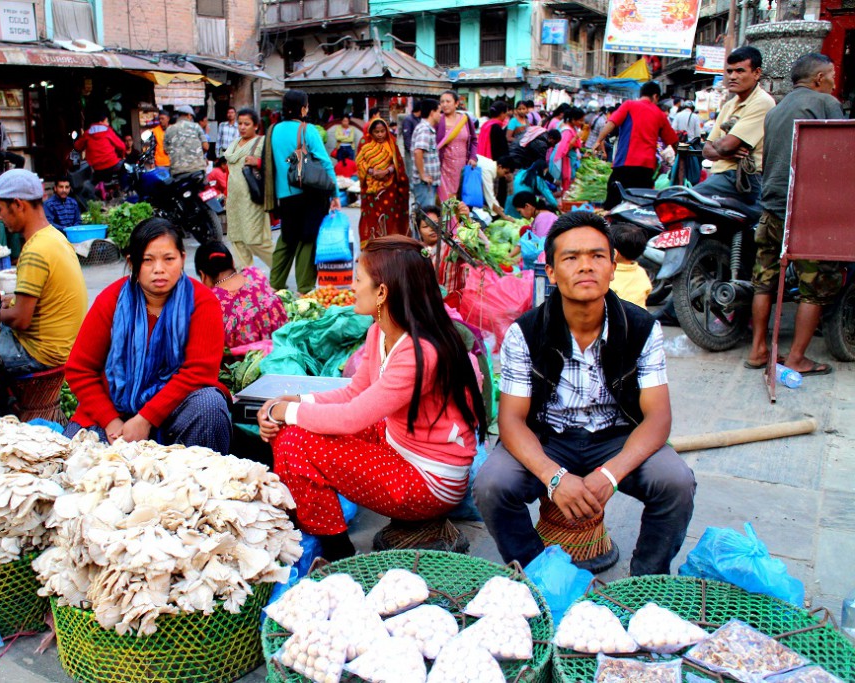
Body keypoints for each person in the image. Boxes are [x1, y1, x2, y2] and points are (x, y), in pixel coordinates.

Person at [474, 212, 696, 574]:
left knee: (675, 482)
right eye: (571, 258)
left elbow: (658, 417)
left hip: (616, 438)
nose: (585, 267)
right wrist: (554, 477)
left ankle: (645, 582)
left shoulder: (642, 329)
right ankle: (537, 575)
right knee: (492, 484)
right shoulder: (524, 333)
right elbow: (511, 420)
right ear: (550, 272)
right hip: (548, 437)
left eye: (597, 256)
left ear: (612, 267)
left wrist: (610, 474)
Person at [258, 235, 488, 560]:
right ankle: (328, 535)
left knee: (296, 442)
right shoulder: (378, 331)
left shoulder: (420, 350)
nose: (352, 286)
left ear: (382, 292)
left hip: (429, 480)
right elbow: (354, 393)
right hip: (398, 442)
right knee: (294, 432)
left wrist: (285, 412)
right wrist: (295, 402)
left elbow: (353, 416)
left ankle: (338, 552)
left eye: (358, 279)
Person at [64, 218, 231, 451]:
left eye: (169, 259)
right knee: (76, 460)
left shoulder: (202, 302)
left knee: (209, 405)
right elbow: (80, 370)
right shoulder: (111, 300)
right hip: (113, 414)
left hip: (174, 411)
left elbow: (199, 371)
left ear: (182, 259)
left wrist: (145, 419)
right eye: (148, 260)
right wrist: (111, 421)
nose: (159, 269)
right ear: (132, 263)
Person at [746, 53, 846, 377]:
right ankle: (797, 358)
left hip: (770, 207)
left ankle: (759, 349)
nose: (834, 82)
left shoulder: (775, 111)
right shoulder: (825, 103)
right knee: (813, 287)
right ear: (819, 79)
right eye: (831, 75)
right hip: (804, 209)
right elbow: (842, 155)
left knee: (764, 281)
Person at [0, 170, 87, 376]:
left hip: (41, 353)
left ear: (18, 204)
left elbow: (21, 320)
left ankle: (2, 404)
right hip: (66, 345)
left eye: (0, 209)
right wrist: (10, 301)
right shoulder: (54, 237)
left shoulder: (34, 251)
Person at [262, 90, 340, 293]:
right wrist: (335, 194)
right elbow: (325, 163)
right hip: (309, 193)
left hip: (284, 195)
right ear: (302, 108)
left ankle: (276, 283)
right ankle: (304, 287)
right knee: (307, 238)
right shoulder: (307, 129)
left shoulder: (273, 130)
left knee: (287, 237)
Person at [694, 46, 776, 208]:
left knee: (683, 200)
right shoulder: (728, 105)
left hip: (742, 178)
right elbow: (706, 151)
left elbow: (725, 146)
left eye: (739, 71)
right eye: (730, 71)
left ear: (756, 73)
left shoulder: (762, 102)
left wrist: (722, 146)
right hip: (721, 176)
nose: (732, 76)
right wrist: (725, 149)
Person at [592, 82, 680, 210]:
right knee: (640, 208)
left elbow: (611, 123)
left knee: (612, 205)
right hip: (645, 169)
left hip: (623, 165)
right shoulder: (659, 114)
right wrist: (678, 159)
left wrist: (598, 140)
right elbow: (673, 141)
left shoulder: (628, 105)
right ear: (655, 96)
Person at [194, 241, 289, 349]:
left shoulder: (213, 300)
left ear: (202, 275)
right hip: (281, 346)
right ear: (233, 263)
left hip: (247, 361)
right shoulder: (255, 274)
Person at [224, 107, 273, 269]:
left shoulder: (262, 142)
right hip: (234, 200)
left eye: (247, 124)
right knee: (238, 241)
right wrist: (226, 194)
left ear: (256, 126)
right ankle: (248, 284)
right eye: (240, 124)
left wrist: (257, 163)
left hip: (253, 199)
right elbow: (229, 172)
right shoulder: (233, 145)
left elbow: (275, 166)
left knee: (256, 240)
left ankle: (280, 269)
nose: (242, 127)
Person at [356, 118, 410, 245]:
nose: (380, 135)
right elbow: (360, 163)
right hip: (371, 188)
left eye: (382, 131)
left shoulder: (392, 143)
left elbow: (398, 164)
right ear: (371, 132)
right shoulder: (365, 143)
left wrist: (387, 171)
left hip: (390, 187)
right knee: (372, 217)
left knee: (390, 216)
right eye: (376, 132)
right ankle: (373, 245)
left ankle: (390, 244)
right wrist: (372, 172)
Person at [435, 90, 478, 202]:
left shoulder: (465, 120)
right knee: (446, 198)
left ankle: (457, 219)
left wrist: (473, 157)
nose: (444, 104)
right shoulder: (438, 120)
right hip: (445, 165)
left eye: (448, 101)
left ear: (456, 103)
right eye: (442, 102)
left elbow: (473, 140)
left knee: (461, 198)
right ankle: (447, 219)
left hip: (463, 166)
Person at [73, 106, 126, 184]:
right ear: (102, 121)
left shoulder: (87, 133)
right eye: (107, 121)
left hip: (96, 168)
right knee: (127, 169)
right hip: (112, 163)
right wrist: (122, 156)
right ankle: (123, 190)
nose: (108, 123)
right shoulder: (108, 130)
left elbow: (77, 146)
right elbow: (122, 146)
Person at [609, 224, 652, 308]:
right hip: (641, 317)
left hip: (620, 319)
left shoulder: (608, 275)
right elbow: (647, 290)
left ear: (614, 253)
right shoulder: (640, 271)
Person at [411, 99, 442, 208]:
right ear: (432, 112)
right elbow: (418, 151)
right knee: (425, 216)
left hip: (429, 184)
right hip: (424, 184)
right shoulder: (425, 129)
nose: (440, 115)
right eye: (439, 112)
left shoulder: (428, 129)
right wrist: (422, 175)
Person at [550, 107, 585, 196]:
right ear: (573, 120)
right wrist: (576, 137)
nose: (582, 123)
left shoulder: (571, 128)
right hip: (567, 161)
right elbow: (565, 148)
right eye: (580, 120)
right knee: (566, 185)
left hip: (571, 160)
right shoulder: (567, 131)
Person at [166, 105, 209, 176]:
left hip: (177, 171)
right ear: (189, 115)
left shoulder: (169, 129)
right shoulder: (196, 127)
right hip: (197, 170)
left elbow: (166, 150)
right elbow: (206, 147)